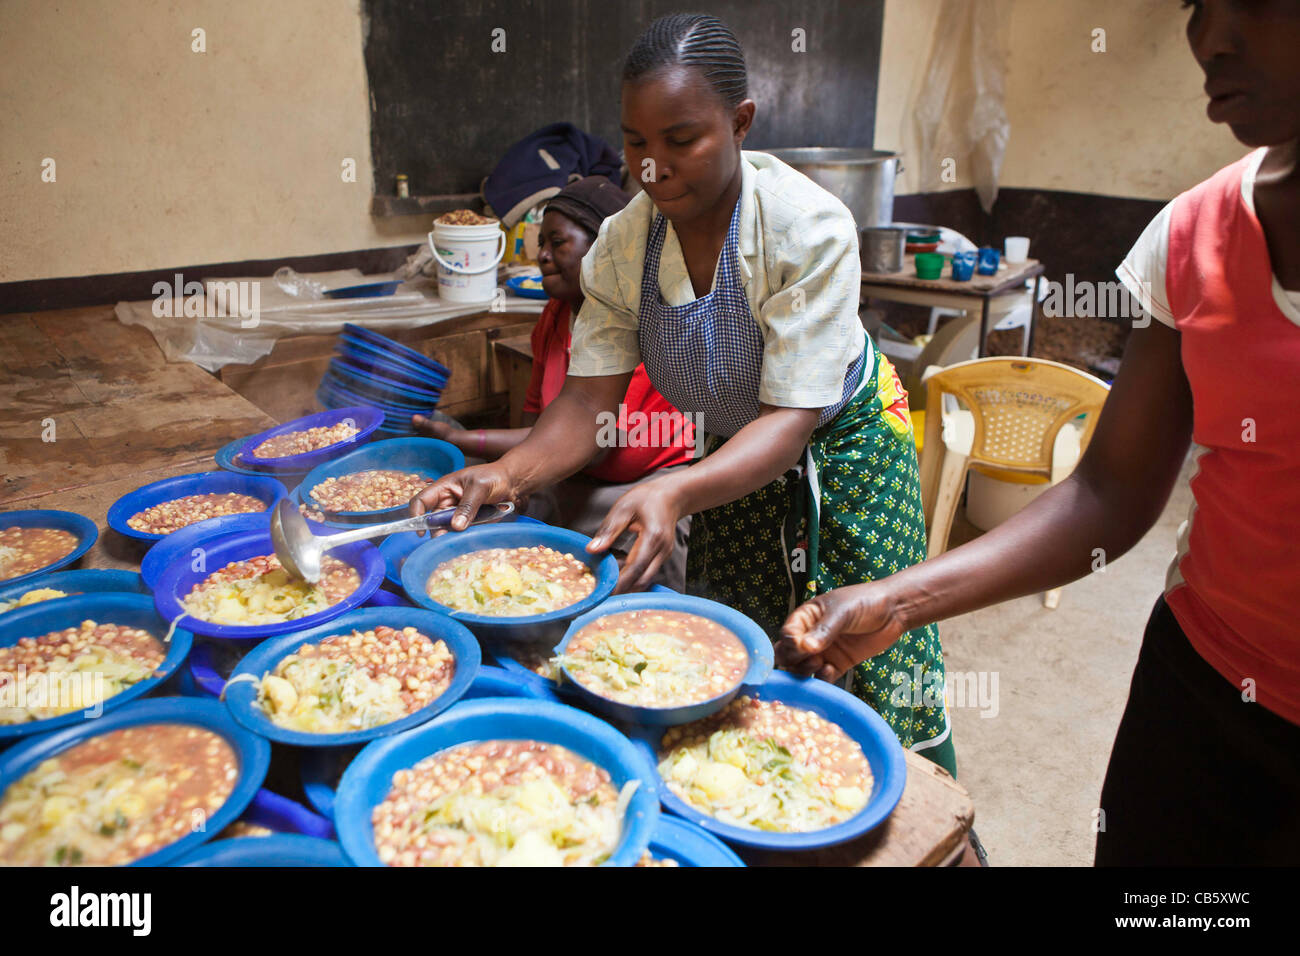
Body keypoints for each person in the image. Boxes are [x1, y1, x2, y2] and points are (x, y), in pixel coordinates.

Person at [777, 0, 1300, 865]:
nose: (1212, 36)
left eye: (1255, 1)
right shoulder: (1193, 237)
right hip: (1205, 688)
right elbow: (1108, 491)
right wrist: (895, 601)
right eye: (1196, 4)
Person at [414, 13, 956, 778]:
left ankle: (914, 822)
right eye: (636, 141)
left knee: (860, 655)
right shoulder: (625, 247)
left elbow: (793, 422)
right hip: (730, 454)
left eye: (681, 140)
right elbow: (587, 404)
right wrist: (508, 475)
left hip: (843, 447)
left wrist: (675, 487)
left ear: (740, 124)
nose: (653, 168)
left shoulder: (805, 230)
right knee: (742, 651)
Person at [414, 177, 694, 590]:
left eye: (557, 243)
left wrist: (464, 440)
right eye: (540, 243)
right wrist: (516, 478)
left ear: (605, 245)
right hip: (571, 479)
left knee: (612, 581)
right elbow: (538, 424)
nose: (542, 256)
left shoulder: (642, 321)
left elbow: (593, 443)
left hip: (647, 484)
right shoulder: (554, 316)